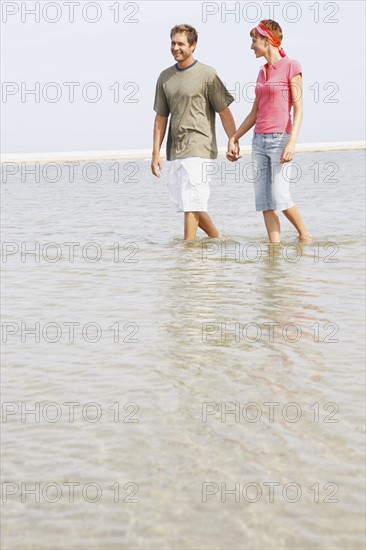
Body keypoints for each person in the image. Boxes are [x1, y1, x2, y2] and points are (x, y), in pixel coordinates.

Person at [227, 19, 311, 244]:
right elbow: (254, 113)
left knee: (280, 197)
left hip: (280, 140)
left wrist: (292, 142)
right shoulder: (261, 73)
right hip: (259, 142)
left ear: (266, 40)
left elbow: (299, 108)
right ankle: (274, 250)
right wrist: (234, 137)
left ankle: (305, 237)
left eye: (254, 40)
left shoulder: (292, 66)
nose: (252, 46)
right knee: (264, 201)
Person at [152, 24, 238, 241]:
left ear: (193, 45)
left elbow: (224, 111)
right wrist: (155, 153)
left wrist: (233, 140)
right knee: (188, 204)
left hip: (200, 146)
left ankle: (188, 251)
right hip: (177, 149)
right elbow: (161, 118)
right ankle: (217, 239)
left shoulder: (207, 74)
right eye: (173, 42)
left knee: (192, 203)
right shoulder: (165, 77)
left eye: (181, 43)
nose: (175, 47)